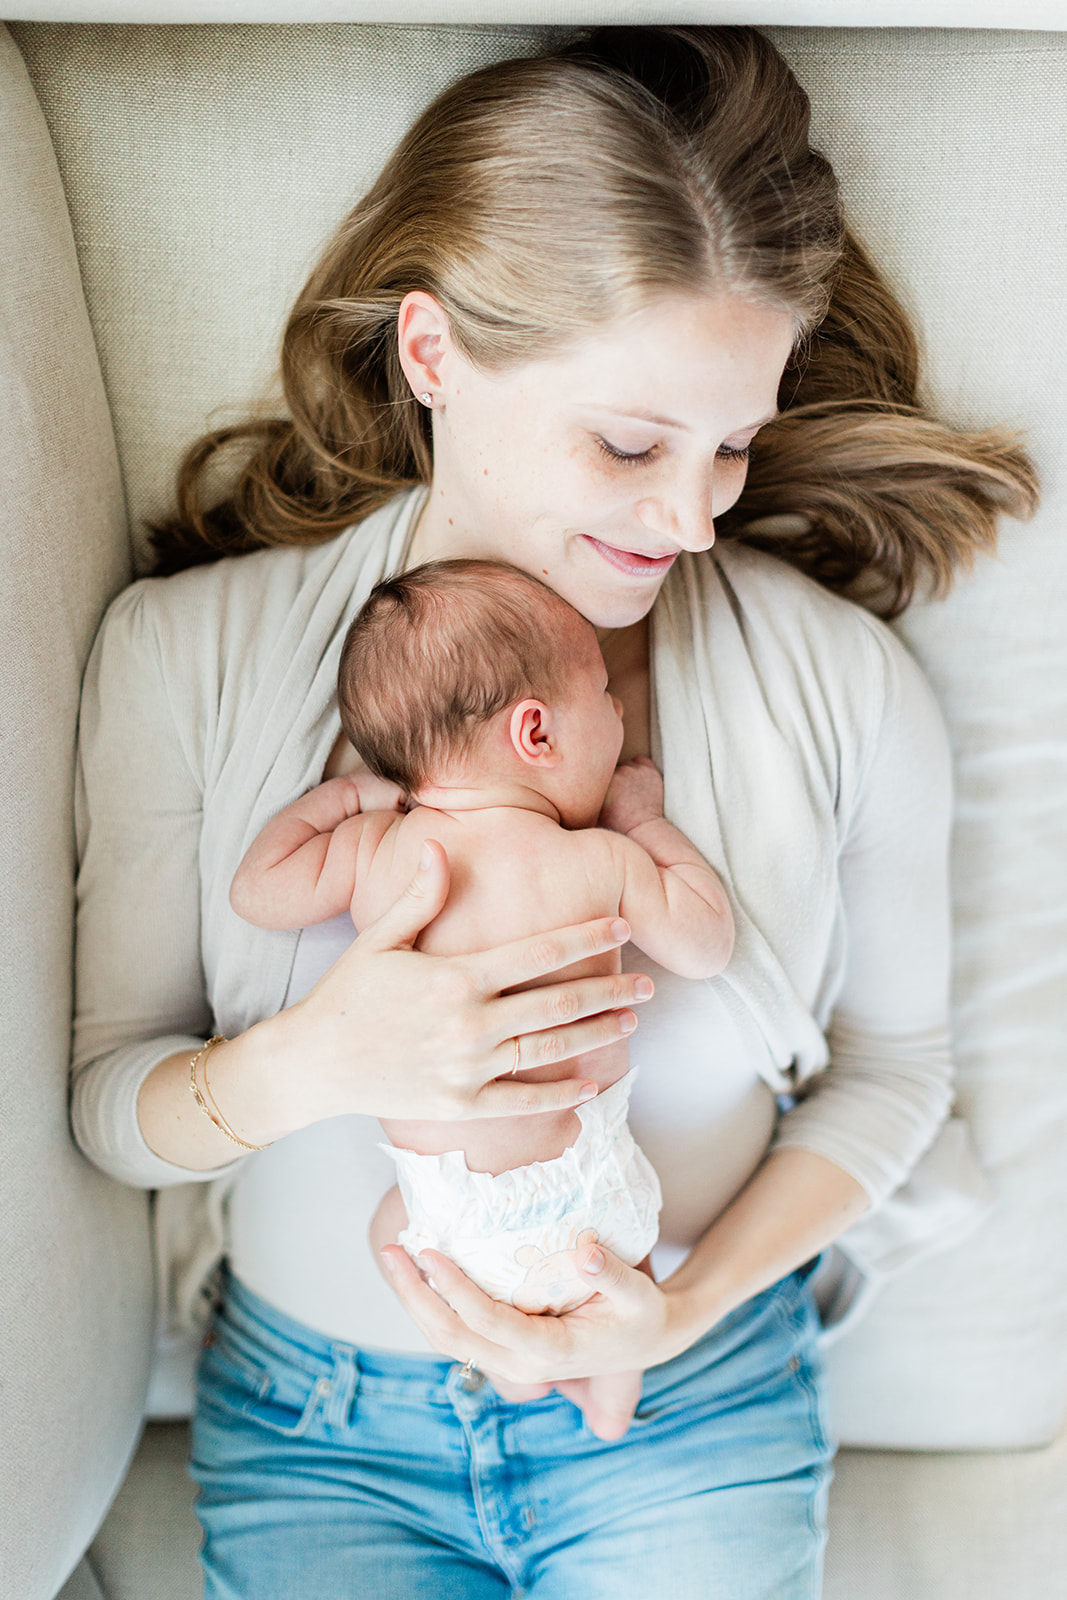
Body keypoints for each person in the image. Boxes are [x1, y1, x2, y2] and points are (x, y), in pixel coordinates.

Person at [71, 24, 1037, 1600]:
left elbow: (892, 1076)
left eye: (732, 444)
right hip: (319, 1426)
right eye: (629, 442)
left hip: (689, 1399)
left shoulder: (843, 690)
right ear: (433, 354)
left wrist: (681, 1306)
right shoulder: (186, 659)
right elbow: (109, 1110)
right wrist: (327, 1055)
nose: (691, 517)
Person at [228, 556, 735, 1439]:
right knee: (620, 1299)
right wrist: (643, 823)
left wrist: (346, 795)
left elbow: (258, 893)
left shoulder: (375, 851)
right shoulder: (597, 861)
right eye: (604, 705)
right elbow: (704, 942)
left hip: (444, 1213)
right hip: (591, 1196)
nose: (620, 718)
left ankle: (518, 1380)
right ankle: (608, 1401)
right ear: (535, 733)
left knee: (399, 1233)